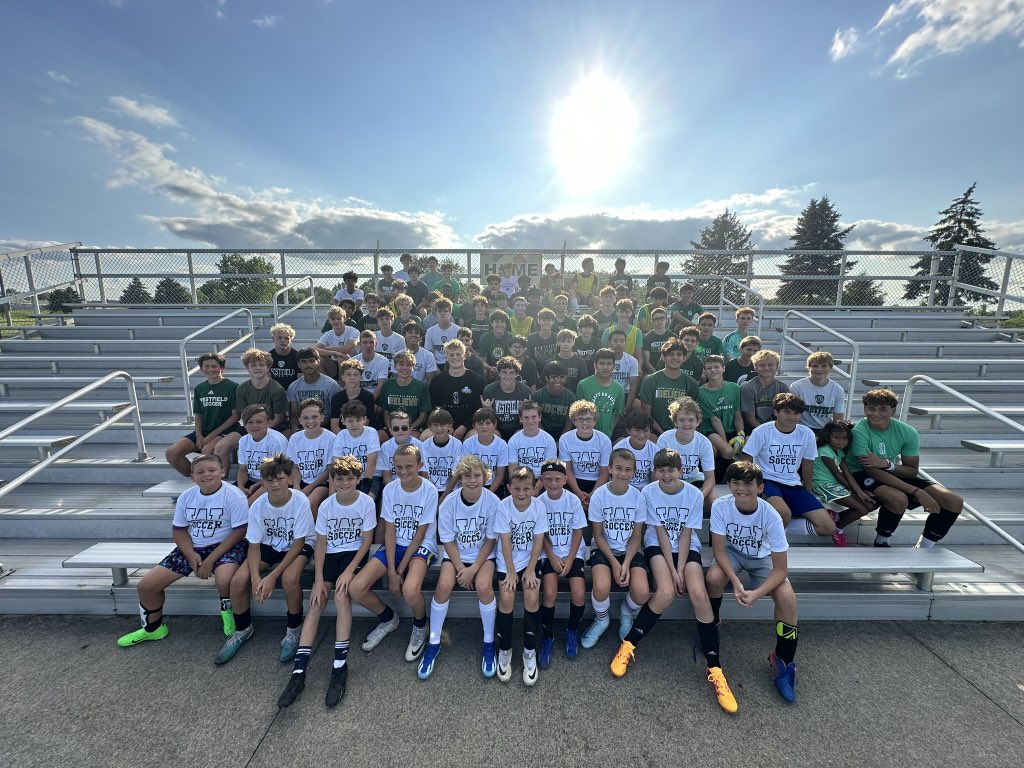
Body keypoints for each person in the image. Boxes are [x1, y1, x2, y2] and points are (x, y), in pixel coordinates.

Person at [612, 449, 734, 714]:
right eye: (661, 470)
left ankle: (715, 668)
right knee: (666, 591)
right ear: (655, 472)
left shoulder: (692, 493)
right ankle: (629, 645)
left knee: (699, 594)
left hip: (687, 546)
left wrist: (682, 568)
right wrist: (673, 570)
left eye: (671, 470)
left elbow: (687, 534)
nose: (666, 475)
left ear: (681, 471)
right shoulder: (649, 493)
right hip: (659, 545)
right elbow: (660, 534)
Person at [276, 456, 377, 708]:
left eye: (350, 479)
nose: (345, 483)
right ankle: (299, 672)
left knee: (343, 595)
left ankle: (340, 666)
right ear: (331, 480)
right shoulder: (326, 506)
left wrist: (349, 571)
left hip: (353, 554)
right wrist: (320, 578)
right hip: (331, 555)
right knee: (317, 601)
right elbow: (321, 543)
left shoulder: (365, 502)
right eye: (339, 479)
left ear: (358, 479)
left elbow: (366, 541)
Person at [116, 454, 247, 648]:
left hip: (225, 545)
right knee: (146, 586)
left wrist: (210, 560)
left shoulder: (234, 495)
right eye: (200, 472)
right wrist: (191, 554)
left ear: (223, 472)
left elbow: (239, 531)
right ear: (192, 476)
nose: (206, 475)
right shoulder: (187, 497)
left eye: (212, 470)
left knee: (224, 579)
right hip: (193, 546)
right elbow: (179, 530)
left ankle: (227, 613)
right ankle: (154, 628)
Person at [706, 461, 800, 703]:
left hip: (761, 558)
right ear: (728, 485)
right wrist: (736, 582)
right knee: (714, 577)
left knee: (787, 597)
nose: (741, 489)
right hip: (732, 555)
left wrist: (756, 593)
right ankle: (714, 620)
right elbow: (719, 549)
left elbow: (781, 569)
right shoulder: (721, 505)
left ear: (760, 488)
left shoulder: (771, 515)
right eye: (735, 483)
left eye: (748, 484)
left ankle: (783, 659)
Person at [215, 453, 314, 665]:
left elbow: (298, 544)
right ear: (263, 482)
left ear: (289, 479)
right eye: (269, 480)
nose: (275, 484)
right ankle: (243, 630)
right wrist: (254, 578)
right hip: (270, 543)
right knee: (237, 581)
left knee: (289, 578)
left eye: (280, 478)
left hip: (299, 544)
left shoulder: (300, 501)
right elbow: (254, 546)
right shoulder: (258, 505)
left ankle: (293, 630)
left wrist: (271, 576)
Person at [348, 444, 438, 660]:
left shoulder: (429, 490)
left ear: (420, 465)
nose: (404, 471)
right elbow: (389, 530)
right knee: (356, 588)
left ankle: (420, 625)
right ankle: (388, 618)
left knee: (410, 590)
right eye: (399, 467)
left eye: (409, 466)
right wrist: (391, 571)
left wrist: (399, 570)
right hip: (394, 545)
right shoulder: (390, 489)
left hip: (421, 545)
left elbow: (420, 534)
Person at [847, 388, 963, 549]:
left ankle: (925, 547)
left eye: (882, 409)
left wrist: (887, 464)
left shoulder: (908, 432)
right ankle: (882, 539)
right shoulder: (859, 431)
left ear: (893, 411)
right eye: (871, 409)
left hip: (888, 469)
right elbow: (872, 470)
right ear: (865, 409)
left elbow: (911, 471)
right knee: (898, 498)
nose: (875, 414)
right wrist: (917, 492)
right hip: (860, 473)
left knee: (954, 501)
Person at [419, 456, 501, 679]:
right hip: (456, 555)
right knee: (443, 586)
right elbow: (447, 540)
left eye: (477, 475)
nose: (472, 480)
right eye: (467, 476)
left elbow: (490, 540)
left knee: (484, 587)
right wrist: (460, 569)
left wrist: (473, 569)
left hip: (482, 557)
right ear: (460, 478)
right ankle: (434, 641)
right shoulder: (449, 503)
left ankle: (488, 641)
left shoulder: (493, 501)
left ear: (485, 477)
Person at [742, 393, 839, 542]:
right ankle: (767, 543)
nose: (792, 417)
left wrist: (807, 490)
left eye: (796, 413)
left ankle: (779, 527)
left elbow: (808, 463)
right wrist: (750, 486)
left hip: (793, 483)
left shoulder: (806, 434)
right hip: (767, 481)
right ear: (776, 412)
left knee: (828, 527)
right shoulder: (762, 431)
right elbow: (745, 461)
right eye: (787, 412)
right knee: (783, 513)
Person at [580, 449, 648, 650]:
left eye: (628, 469)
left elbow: (637, 536)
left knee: (642, 593)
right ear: (609, 468)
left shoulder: (638, 497)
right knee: (601, 586)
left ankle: (626, 612)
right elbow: (598, 535)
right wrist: (614, 563)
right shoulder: (600, 495)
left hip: (630, 550)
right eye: (618, 468)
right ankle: (602, 620)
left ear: (634, 472)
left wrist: (625, 563)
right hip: (604, 548)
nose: (623, 473)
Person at [493, 466, 548, 685]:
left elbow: (538, 541)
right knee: (506, 597)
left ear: (535, 488)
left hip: (530, 560)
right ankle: (505, 649)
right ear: (509, 488)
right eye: (517, 489)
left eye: (526, 488)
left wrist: (531, 569)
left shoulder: (539, 507)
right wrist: (511, 572)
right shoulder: (503, 506)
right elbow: (505, 542)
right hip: (508, 561)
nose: (522, 493)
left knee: (532, 597)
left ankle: (529, 651)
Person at [536, 459, 587, 667]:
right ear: (541, 480)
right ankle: (547, 636)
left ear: (565, 480)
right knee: (548, 593)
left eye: (557, 479)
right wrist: (553, 557)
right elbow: (541, 535)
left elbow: (578, 531)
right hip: (549, 553)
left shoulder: (573, 500)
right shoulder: (538, 502)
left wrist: (571, 557)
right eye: (548, 479)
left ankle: (572, 630)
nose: (553, 483)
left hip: (572, 552)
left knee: (579, 593)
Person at [165, 352, 241, 477]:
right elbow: (198, 415)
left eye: (214, 366)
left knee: (207, 451)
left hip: (227, 430)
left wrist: (211, 436)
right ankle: (198, 478)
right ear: (201, 369)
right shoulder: (200, 388)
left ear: (222, 368)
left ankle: (221, 482)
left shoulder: (233, 387)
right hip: (204, 431)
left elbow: (235, 416)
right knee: (172, 453)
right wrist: (199, 435)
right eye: (207, 366)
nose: (210, 369)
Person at [812, 421, 875, 542]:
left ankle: (834, 518)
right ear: (828, 437)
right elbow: (838, 474)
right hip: (823, 485)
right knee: (862, 509)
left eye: (845, 438)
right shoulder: (824, 451)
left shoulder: (840, 452)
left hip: (835, 484)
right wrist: (857, 492)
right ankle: (837, 529)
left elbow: (847, 473)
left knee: (869, 505)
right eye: (836, 438)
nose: (841, 441)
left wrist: (859, 491)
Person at [656, 396, 716, 516]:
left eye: (691, 419)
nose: (686, 424)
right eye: (682, 420)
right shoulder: (664, 440)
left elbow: (710, 478)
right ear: (675, 422)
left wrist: (700, 495)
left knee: (714, 502)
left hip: (695, 480)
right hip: (670, 480)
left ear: (698, 422)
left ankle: (713, 533)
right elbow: (659, 472)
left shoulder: (704, 442)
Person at [637, 336, 699, 436]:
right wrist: (663, 434)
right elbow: (646, 414)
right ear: (663, 357)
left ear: (684, 358)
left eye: (679, 354)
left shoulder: (691, 383)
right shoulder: (650, 380)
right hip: (655, 432)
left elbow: (692, 414)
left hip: (681, 431)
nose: (675, 358)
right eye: (671, 354)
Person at [559, 399, 612, 511]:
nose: (585, 423)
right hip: (574, 480)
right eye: (580, 419)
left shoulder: (604, 440)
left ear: (595, 421)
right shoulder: (565, 439)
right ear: (573, 421)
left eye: (588, 419)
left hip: (597, 482)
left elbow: (604, 472)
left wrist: (593, 494)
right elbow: (567, 470)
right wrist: (578, 492)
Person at [427, 339, 485, 439]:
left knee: (475, 435)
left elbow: (478, 409)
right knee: (425, 436)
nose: (455, 357)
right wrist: (446, 425)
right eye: (451, 354)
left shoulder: (477, 380)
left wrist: (464, 426)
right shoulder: (437, 381)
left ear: (464, 356)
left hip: (469, 426)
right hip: (443, 425)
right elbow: (435, 407)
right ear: (446, 356)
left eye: (458, 354)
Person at [286, 397, 334, 517]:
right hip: (301, 481)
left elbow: (329, 469)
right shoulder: (295, 438)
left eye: (314, 417)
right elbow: (294, 466)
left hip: (322, 482)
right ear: (300, 420)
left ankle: (313, 535)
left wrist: (308, 488)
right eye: (305, 418)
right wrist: (297, 486)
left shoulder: (331, 438)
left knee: (310, 502)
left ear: (322, 418)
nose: (310, 421)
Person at [698, 355, 746, 471]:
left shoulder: (734, 388)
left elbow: (737, 414)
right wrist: (725, 443)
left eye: (716, 367)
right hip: (712, 430)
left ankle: (735, 477)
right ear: (704, 371)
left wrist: (741, 434)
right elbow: (715, 420)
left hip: (731, 428)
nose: (713, 370)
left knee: (742, 449)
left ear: (723, 368)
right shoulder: (701, 392)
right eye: (709, 368)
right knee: (729, 451)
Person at [235, 404, 289, 503]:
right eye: (250, 422)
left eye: (259, 422)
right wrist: (241, 487)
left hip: (272, 480)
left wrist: (257, 485)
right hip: (250, 480)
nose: (254, 425)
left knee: (247, 505)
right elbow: (242, 469)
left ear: (268, 422)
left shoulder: (276, 441)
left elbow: (277, 473)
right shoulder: (243, 441)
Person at [331, 400, 381, 500]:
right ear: (343, 421)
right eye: (350, 420)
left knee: (368, 499)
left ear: (365, 420)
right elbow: (336, 464)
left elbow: (371, 464)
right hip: (349, 478)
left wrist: (364, 489)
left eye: (358, 420)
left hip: (371, 477)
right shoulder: (341, 435)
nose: (355, 424)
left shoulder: (371, 432)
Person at [575, 348, 625, 439]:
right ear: (595, 365)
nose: (605, 367)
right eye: (601, 363)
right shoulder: (583, 385)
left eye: (609, 364)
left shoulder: (619, 389)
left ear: (614, 366)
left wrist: (610, 429)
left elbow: (618, 413)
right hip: (585, 434)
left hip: (607, 436)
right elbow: (578, 412)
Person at [380, 350, 432, 436]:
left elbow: (423, 416)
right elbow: (386, 412)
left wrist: (408, 428)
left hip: (412, 428)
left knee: (416, 437)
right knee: (380, 435)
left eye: (408, 365)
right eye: (401, 364)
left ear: (413, 367)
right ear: (395, 366)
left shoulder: (422, 387)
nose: (405, 368)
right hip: (392, 428)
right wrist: (391, 429)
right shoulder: (388, 384)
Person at [286, 348, 342, 428]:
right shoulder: (293, 387)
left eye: (311, 361)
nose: (308, 365)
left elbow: (333, 413)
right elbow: (294, 414)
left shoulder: (331, 385)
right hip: (303, 427)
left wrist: (313, 427)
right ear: (298, 364)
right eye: (304, 362)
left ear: (318, 362)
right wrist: (295, 429)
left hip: (326, 428)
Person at [790, 351, 846, 430]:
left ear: (830, 368)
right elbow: (792, 415)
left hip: (825, 430)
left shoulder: (838, 390)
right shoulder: (796, 387)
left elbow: (838, 418)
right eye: (815, 366)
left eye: (824, 366)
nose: (819, 369)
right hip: (802, 428)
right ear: (808, 367)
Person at [459, 408, 509, 495]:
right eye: (480, 423)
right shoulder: (468, 444)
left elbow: (500, 475)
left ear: (494, 425)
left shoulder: (502, 445)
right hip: (473, 484)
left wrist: (487, 495)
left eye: (488, 423)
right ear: (474, 426)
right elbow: (466, 471)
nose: (484, 426)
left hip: (493, 486)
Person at [481, 356, 532, 441]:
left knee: (521, 435)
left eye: (511, 373)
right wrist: (487, 410)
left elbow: (524, 422)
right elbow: (487, 422)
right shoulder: (489, 390)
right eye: (504, 372)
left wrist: (524, 412)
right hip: (496, 428)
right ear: (499, 373)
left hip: (517, 428)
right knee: (491, 434)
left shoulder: (525, 390)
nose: (507, 376)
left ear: (517, 374)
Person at [740, 349, 790, 432]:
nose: (766, 368)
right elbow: (750, 419)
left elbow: (786, 414)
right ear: (755, 368)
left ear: (777, 367)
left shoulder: (782, 388)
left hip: (777, 428)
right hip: (754, 429)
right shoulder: (748, 388)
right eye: (762, 365)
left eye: (771, 365)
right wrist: (768, 432)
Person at [507, 400, 558, 481]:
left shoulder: (549, 440)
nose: (530, 421)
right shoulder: (513, 441)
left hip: (543, 481)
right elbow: (513, 468)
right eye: (526, 417)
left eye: (534, 417)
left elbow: (550, 469)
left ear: (540, 417)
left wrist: (537, 488)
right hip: (521, 480)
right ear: (520, 419)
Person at [420, 408, 463, 496]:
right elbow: (425, 474)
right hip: (430, 490)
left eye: (443, 424)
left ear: (450, 425)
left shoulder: (457, 445)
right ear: (429, 427)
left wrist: (443, 498)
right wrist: (431, 495)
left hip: (451, 490)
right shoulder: (424, 446)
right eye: (435, 425)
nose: (439, 428)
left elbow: (455, 475)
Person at [329, 358, 378, 434]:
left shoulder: (368, 397)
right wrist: (344, 438)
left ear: (361, 377)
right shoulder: (337, 397)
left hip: (361, 435)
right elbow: (334, 424)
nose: (352, 378)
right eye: (348, 374)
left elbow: (366, 423)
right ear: (343, 377)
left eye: (356, 374)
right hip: (342, 435)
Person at [613, 409, 657, 491]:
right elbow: (616, 475)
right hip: (625, 488)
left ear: (650, 431)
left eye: (645, 431)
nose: (641, 435)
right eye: (637, 430)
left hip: (645, 490)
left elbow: (654, 480)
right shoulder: (619, 447)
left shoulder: (654, 450)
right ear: (628, 430)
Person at [533, 360, 576, 439]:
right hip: (542, 433)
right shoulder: (537, 395)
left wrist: (562, 439)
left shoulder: (571, 397)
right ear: (546, 378)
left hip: (563, 433)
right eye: (553, 377)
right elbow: (536, 420)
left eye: (561, 377)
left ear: (566, 378)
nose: (558, 380)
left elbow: (569, 422)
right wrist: (545, 438)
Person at [316, 306, 358, 380]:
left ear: (344, 319)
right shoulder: (328, 334)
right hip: (334, 365)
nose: (336, 321)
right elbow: (314, 350)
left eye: (339, 318)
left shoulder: (353, 331)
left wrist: (330, 348)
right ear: (329, 321)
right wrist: (335, 353)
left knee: (341, 357)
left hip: (353, 363)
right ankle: (326, 385)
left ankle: (343, 387)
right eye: (333, 319)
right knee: (317, 359)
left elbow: (347, 349)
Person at [608, 328, 640, 413]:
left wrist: (627, 407)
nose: (618, 344)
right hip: (608, 392)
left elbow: (633, 386)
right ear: (609, 343)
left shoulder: (632, 361)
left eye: (622, 341)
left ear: (625, 343)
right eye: (615, 341)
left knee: (636, 403)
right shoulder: (603, 360)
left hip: (625, 393)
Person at [425, 297, 461, 367]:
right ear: (436, 312)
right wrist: (435, 368)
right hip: (436, 365)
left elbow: (460, 353)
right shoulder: (430, 331)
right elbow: (429, 353)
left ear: (450, 312)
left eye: (445, 311)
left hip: (453, 364)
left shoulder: (458, 330)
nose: (442, 313)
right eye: (440, 311)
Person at [353, 330, 389, 401]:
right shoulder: (353, 361)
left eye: (371, 342)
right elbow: (351, 384)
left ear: (376, 344)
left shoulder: (383, 361)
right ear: (359, 344)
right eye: (365, 342)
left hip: (376, 397)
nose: (368, 345)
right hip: (358, 397)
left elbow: (380, 385)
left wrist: (369, 402)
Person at [479, 309, 512, 380]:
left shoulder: (511, 337)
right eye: (497, 322)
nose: (499, 324)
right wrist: (490, 368)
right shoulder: (484, 338)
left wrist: (502, 370)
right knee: (483, 371)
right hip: (489, 367)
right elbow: (482, 361)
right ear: (492, 323)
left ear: (506, 324)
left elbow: (513, 359)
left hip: (507, 368)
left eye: (502, 322)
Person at [267, 323, 299, 392]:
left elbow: (300, 381)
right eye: (279, 337)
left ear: (291, 340)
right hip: (274, 392)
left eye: (286, 338)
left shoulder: (297, 356)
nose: (283, 340)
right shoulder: (268, 357)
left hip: (293, 392)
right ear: (273, 339)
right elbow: (267, 381)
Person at [641, 307, 672, 374]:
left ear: (666, 320)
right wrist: (658, 374)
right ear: (652, 321)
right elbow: (646, 362)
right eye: (656, 319)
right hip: (652, 373)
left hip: (670, 371)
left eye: (662, 318)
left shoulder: (673, 337)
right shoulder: (647, 338)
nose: (659, 321)